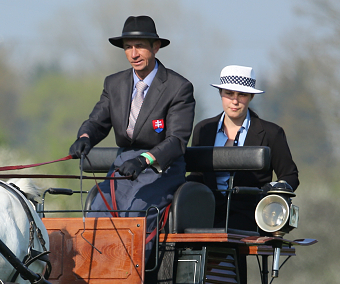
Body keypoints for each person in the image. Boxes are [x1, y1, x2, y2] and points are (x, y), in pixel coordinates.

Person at [68, 15, 195, 240]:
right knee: (98, 212)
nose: (133, 54)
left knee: (135, 213)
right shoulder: (113, 83)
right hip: (122, 166)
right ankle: (98, 272)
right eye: (128, 47)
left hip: (160, 169)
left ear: (156, 47)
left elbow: (176, 141)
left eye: (140, 47)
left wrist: (143, 160)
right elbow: (97, 122)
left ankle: (135, 274)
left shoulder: (179, 88)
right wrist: (85, 136)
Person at [187, 65, 299, 231]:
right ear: (220, 94)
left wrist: (269, 192)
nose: (235, 100)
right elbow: (197, 174)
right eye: (229, 93)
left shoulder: (271, 133)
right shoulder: (203, 129)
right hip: (206, 211)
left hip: (251, 215)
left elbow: (290, 176)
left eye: (242, 94)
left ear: (251, 96)